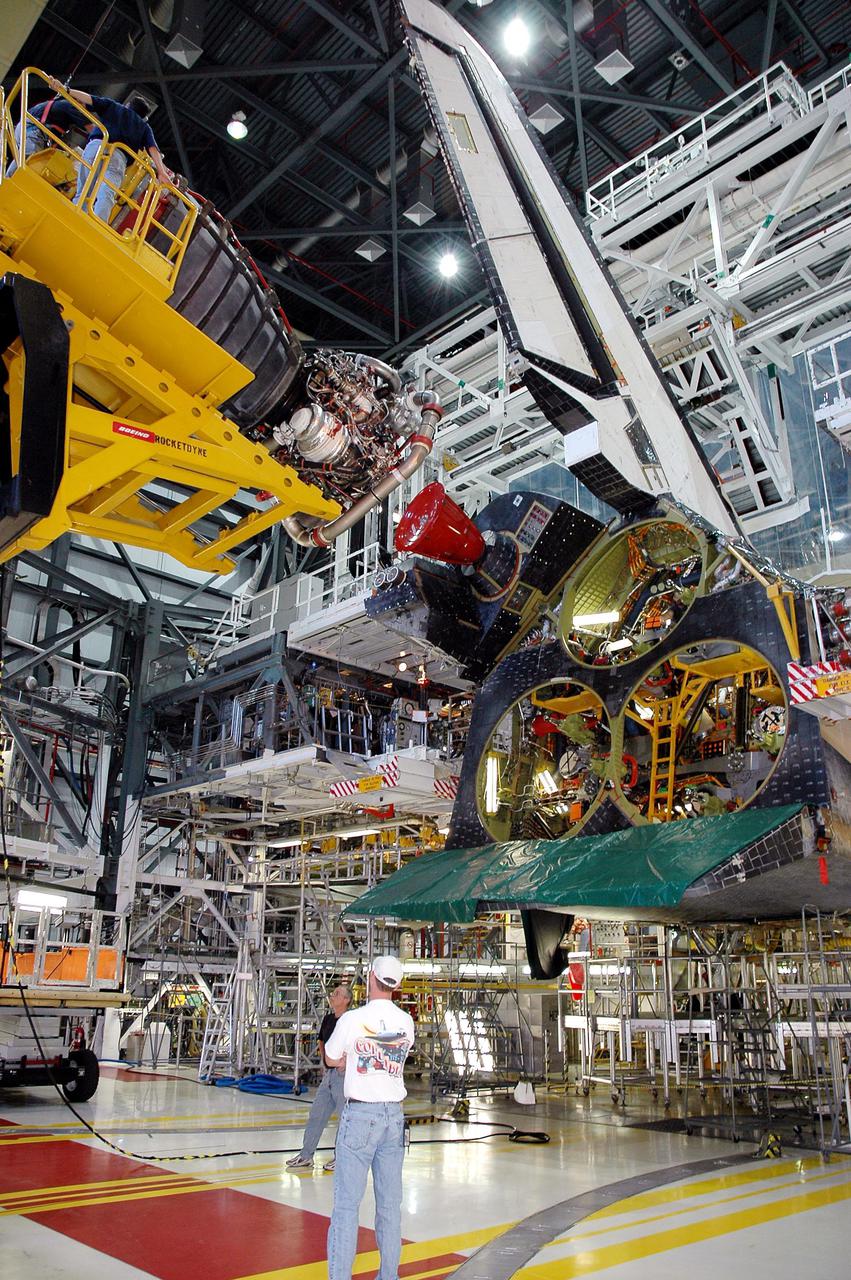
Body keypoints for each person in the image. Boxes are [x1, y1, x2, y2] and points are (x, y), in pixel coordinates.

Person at [324, 955, 414, 1280]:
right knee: (389, 1207)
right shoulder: (406, 1023)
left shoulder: (352, 1019)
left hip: (361, 1116)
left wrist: (352, 1055)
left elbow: (331, 1057)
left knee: (347, 1207)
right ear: (398, 985)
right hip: (394, 1118)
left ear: (371, 977)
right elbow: (393, 1057)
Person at [44, 75, 168, 222]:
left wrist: (65, 89)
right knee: (107, 193)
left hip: (97, 147)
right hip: (118, 158)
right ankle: (97, 223)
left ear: (128, 105)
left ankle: (74, 216)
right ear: (143, 116)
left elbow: (90, 98)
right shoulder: (144, 127)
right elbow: (153, 149)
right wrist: (161, 172)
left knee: (85, 189)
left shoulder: (114, 106)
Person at [286, 983, 353, 1171]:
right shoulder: (328, 1019)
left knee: (344, 1118)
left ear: (346, 1000)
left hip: (343, 1076)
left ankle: (342, 1158)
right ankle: (306, 1155)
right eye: (333, 993)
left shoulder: (350, 1020)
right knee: (317, 1114)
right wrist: (326, 1062)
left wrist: (343, 1063)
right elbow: (322, 1040)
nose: (333, 995)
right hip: (329, 1075)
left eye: (337, 994)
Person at [7, 92, 89, 176]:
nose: (84, 108)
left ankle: (9, 181)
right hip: (34, 130)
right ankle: (6, 183)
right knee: (29, 160)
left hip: (26, 128)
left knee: (28, 160)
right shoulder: (69, 105)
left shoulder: (58, 106)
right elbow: (91, 128)